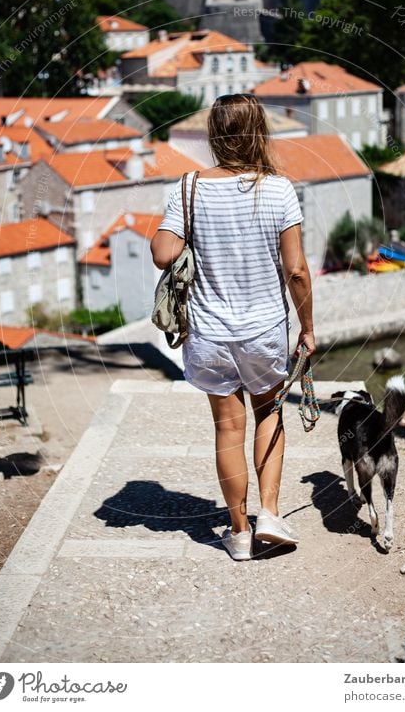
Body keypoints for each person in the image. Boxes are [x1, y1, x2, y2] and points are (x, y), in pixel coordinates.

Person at [150, 94, 315, 561]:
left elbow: (163, 254)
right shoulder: (278, 189)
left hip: (209, 333)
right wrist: (307, 328)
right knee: (269, 415)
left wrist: (172, 218)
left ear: (214, 136)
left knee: (227, 429)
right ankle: (270, 514)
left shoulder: (188, 187)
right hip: (263, 330)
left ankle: (239, 533)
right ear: (259, 133)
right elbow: (297, 270)